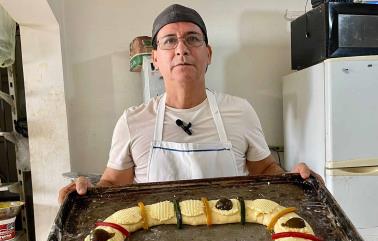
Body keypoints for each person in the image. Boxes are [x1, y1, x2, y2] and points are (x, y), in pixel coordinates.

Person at [58, 4, 310, 204]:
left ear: (208, 54)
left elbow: (265, 170)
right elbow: (112, 186)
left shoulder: (240, 111)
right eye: (169, 41)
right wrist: (86, 194)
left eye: (192, 39)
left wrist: (296, 180)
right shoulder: (133, 121)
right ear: (155, 59)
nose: (181, 49)